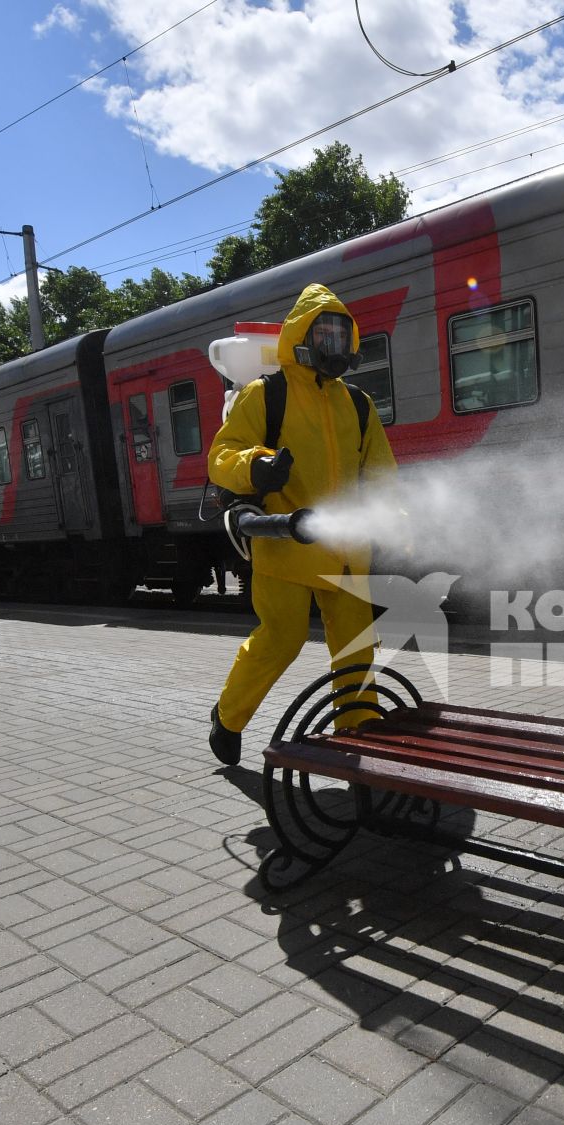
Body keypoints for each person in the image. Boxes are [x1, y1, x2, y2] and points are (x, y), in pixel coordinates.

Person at [207, 283, 396, 766]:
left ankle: (356, 741)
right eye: (325, 336)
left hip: (349, 550)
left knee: (356, 650)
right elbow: (222, 456)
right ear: (301, 337)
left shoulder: (357, 404)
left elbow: (380, 474)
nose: (335, 347)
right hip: (287, 542)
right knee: (280, 641)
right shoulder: (264, 396)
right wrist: (256, 467)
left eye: (342, 337)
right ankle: (228, 717)